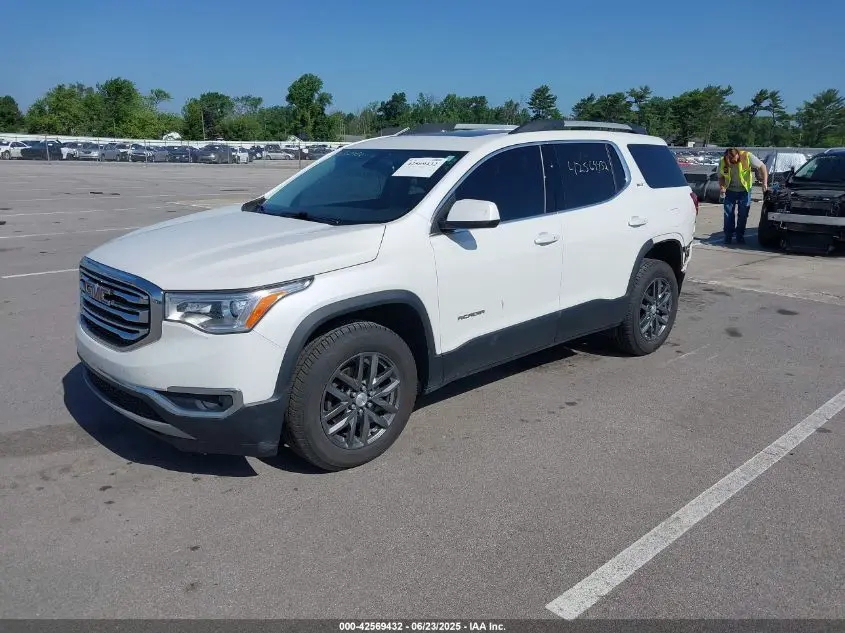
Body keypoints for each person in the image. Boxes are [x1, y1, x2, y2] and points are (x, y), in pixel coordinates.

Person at [718, 147, 768, 244]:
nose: (734, 162)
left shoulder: (747, 156)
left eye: (736, 159)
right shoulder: (723, 161)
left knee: (743, 214)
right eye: (731, 160)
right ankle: (728, 235)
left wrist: (764, 182)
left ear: (738, 155)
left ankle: (740, 236)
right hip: (730, 190)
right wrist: (722, 187)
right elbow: (720, 177)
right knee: (728, 214)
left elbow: (763, 167)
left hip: (744, 191)